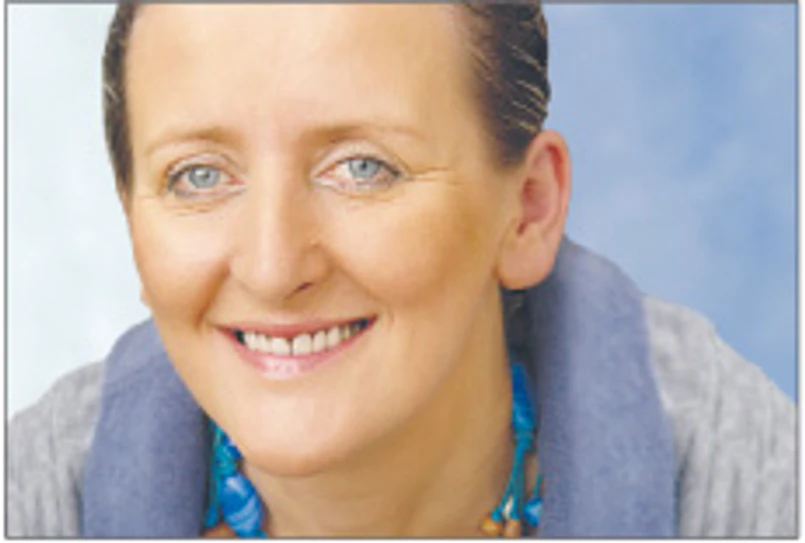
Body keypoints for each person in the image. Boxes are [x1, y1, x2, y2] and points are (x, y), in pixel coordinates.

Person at [8, 2, 795, 538]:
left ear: (527, 210)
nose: (273, 267)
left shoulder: (746, 485)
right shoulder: (33, 500)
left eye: (363, 167)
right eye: (198, 176)